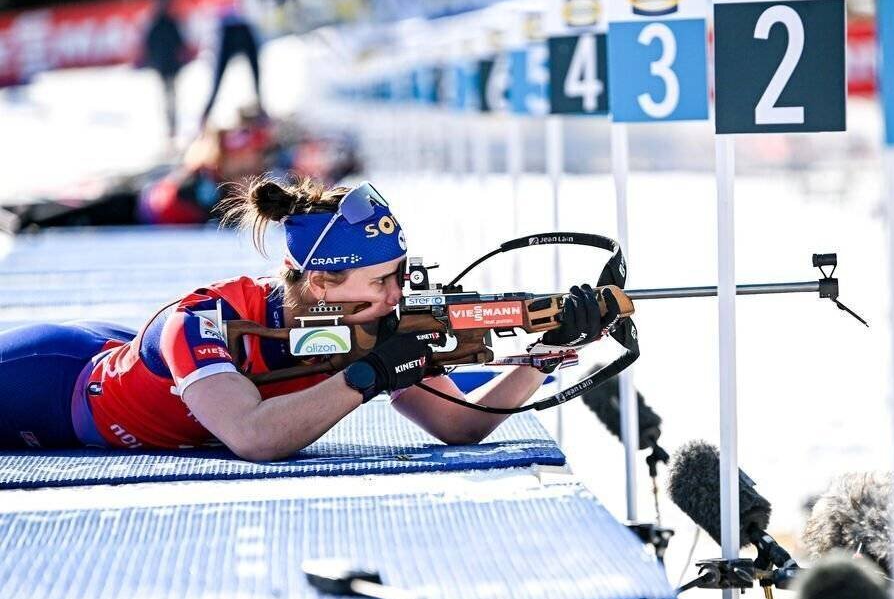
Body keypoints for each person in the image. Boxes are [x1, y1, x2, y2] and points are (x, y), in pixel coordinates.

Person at [0, 179, 614, 459]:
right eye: (382, 280)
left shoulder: (373, 329)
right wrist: (370, 375)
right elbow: (255, 437)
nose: (401, 292)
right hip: (51, 384)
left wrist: (542, 356)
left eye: (402, 272)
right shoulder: (206, 321)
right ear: (321, 281)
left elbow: (457, 426)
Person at [142, 0, 188, 140]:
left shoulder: (170, 21)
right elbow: (148, 45)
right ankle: (170, 127)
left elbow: (180, 42)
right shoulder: (155, 23)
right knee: (167, 96)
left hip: (171, 65)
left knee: (171, 96)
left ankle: (173, 127)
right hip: (163, 65)